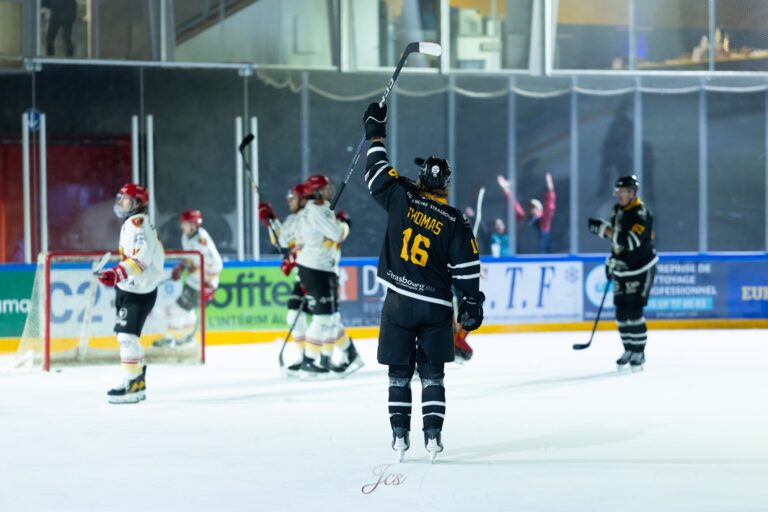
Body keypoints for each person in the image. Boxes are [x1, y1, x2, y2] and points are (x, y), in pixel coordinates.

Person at [361, 102, 485, 462]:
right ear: (444, 184)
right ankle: (433, 437)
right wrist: (473, 303)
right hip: (435, 307)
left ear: (421, 179)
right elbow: (466, 269)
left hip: (398, 302)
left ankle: (400, 436)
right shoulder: (455, 219)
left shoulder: (402, 196)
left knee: (399, 374)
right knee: (433, 375)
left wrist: (376, 134)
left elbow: (376, 171)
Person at [98, 184, 164, 404]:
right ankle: (135, 381)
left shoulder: (138, 224)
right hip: (132, 287)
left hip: (138, 290)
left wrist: (117, 273)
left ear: (136, 203)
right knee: (125, 336)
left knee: (127, 337)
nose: (121, 202)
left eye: (125, 199)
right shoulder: (134, 223)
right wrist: (118, 275)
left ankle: (133, 384)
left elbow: (142, 259)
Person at [294, 175, 363, 379]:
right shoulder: (317, 209)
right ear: (316, 191)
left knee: (331, 317)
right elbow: (338, 234)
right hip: (316, 270)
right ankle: (310, 361)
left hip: (323, 269)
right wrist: (344, 223)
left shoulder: (317, 209)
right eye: (324, 188)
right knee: (324, 317)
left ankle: (347, 355)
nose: (329, 190)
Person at [588, 175, 657, 370]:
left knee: (634, 311)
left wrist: (605, 230)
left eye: (623, 191)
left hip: (641, 268)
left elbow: (631, 241)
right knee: (621, 311)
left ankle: (639, 352)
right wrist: (613, 259)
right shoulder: (617, 210)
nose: (619, 195)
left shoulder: (642, 213)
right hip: (623, 268)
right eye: (617, 191)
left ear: (632, 193)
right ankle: (628, 349)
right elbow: (617, 242)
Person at [259, 184, 312, 378]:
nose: (289, 201)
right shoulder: (291, 219)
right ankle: (306, 356)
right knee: (294, 317)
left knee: (327, 321)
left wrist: (294, 258)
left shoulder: (311, 217)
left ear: (303, 199)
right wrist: (271, 221)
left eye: (293, 198)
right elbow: (282, 242)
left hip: (314, 274)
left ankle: (342, 355)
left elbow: (311, 245)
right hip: (302, 277)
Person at [153, 209, 222, 349]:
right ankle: (189, 338)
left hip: (202, 283)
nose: (181, 226)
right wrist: (181, 266)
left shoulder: (202, 239)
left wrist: (210, 284)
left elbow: (217, 262)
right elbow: (191, 258)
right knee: (187, 310)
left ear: (193, 224)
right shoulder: (186, 237)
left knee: (179, 308)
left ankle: (170, 338)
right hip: (192, 280)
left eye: (184, 223)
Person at [497, 172, 556, 253]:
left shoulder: (543, 222)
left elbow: (549, 207)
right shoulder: (525, 220)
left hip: (540, 258)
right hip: (523, 257)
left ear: (540, 209)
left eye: (534, 207)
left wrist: (550, 190)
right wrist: (506, 190)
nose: (531, 209)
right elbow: (515, 206)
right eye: (530, 207)